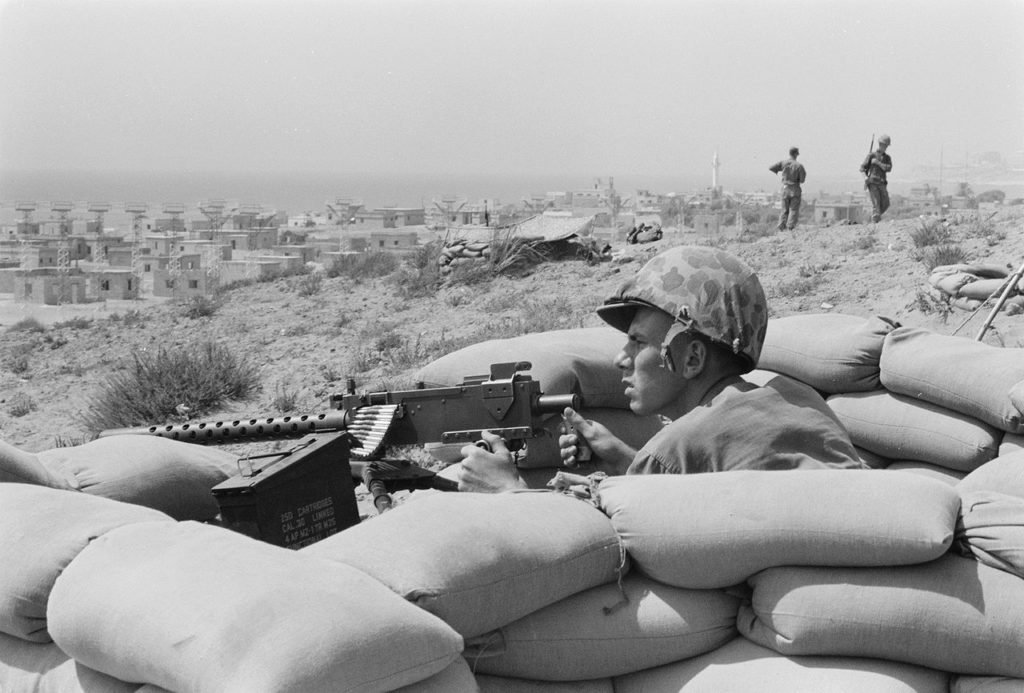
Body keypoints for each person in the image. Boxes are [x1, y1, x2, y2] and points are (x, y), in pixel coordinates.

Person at [457, 245, 865, 492]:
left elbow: (612, 541)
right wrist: (624, 459)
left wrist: (506, 490)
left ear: (691, 358)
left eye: (637, 342)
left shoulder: (681, 442)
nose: (621, 358)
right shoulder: (801, 398)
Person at [768, 147, 806, 230]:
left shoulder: (783, 163)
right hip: (795, 189)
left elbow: (771, 168)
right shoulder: (799, 166)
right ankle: (790, 227)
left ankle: (781, 227)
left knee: (784, 209)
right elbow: (802, 180)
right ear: (796, 154)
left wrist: (782, 172)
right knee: (793, 209)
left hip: (785, 189)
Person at [860, 134, 893, 223]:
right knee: (876, 204)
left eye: (886, 145)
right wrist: (865, 178)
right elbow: (862, 168)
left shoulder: (887, 158)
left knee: (886, 204)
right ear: (880, 144)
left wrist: (878, 163)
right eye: (883, 145)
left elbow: (888, 168)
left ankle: (875, 217)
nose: (885, 147)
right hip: (873, 182)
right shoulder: (871, 155)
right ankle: (875, 222)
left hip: (882, 183)